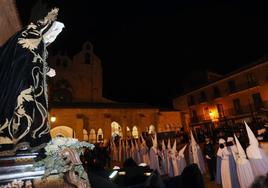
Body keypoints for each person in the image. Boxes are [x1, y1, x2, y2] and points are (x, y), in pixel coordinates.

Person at [0, 6, 64, 156]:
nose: (50, 21)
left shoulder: (26, 32)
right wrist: (48, 70)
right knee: (25, 107)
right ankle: (24, 141)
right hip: (24, 81)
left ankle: (23, 141)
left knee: (22, 107)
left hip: (19, 79)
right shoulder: (33, 34)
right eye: (50, 17)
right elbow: (33, 57)